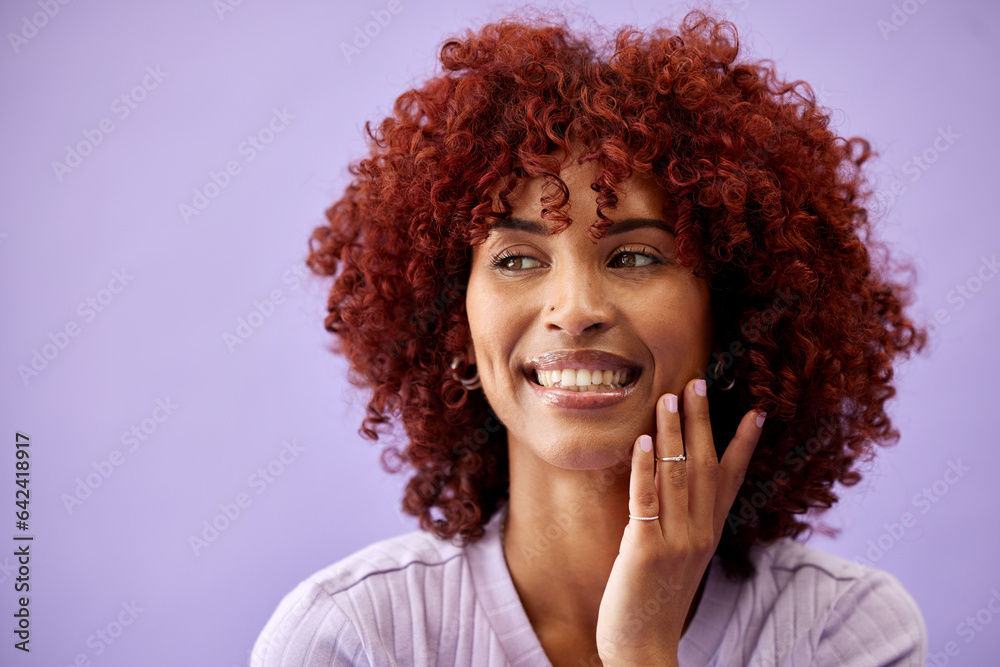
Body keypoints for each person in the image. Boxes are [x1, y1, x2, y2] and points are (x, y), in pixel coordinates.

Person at [253, 8, 928, 666]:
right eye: (517, 259)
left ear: (731, 311)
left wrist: (640, 649)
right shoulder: (350, 639)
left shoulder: (843, 631)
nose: (575, 310)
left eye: (635, 256)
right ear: (453, 324)